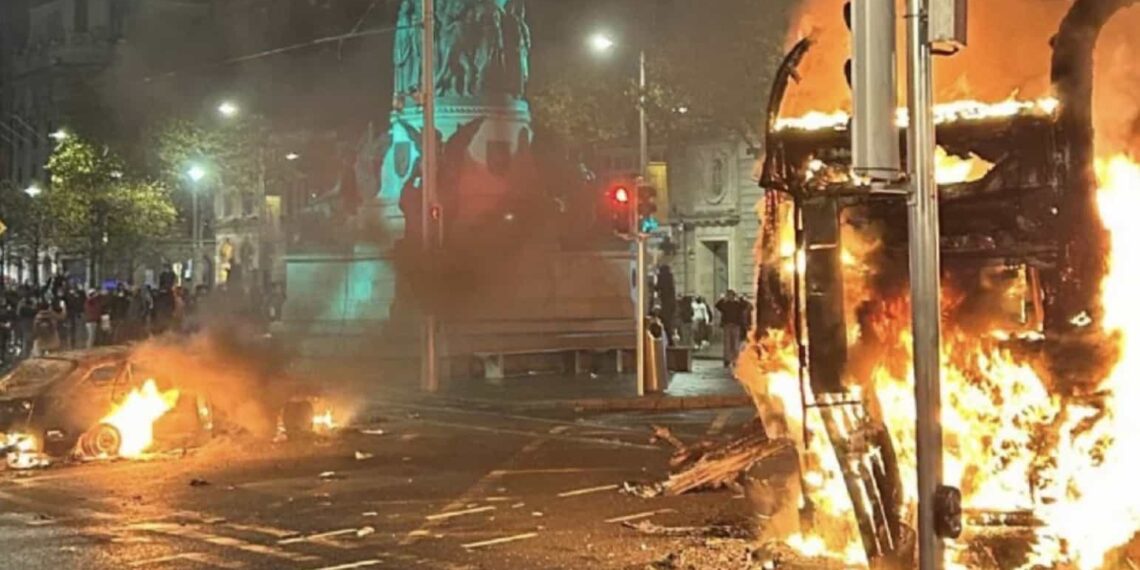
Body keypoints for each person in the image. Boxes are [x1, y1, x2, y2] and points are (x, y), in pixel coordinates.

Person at [715, 290, 748, 368]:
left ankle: (734, 360)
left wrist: (741, 298)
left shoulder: (738, 304)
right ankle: (727, 360)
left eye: (731, 296)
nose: (730, 297)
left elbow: (746, 305)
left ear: (734, 296)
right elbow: (717, 305)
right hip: (727, 325)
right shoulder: (725, 304)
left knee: (735, 344)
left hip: (736, 325)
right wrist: (722, 299)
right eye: (728, 296)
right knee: (727, 344)